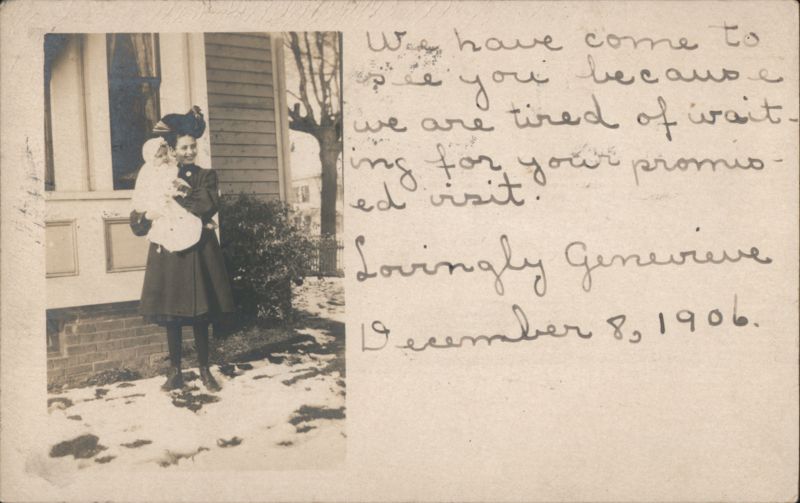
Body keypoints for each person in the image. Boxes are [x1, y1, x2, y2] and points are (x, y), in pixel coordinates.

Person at [130, 106, 235, 393]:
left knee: (200, 314)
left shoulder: (204, 176)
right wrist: (149, 214)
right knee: (171, 315)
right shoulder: (156, 175)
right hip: (168, 253)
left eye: (193, 147)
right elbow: (137, 219)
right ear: (173, 150)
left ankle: (204, 369)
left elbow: (207, 204)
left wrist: (183, 191)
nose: (189, 152)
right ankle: (175, 371)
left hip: (198, 252)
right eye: (183, 147)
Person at [131, 137, 202, 253]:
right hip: (158, 201)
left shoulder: (170, 167)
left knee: (185, 218)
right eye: (159, 156)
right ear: (150, 158)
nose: (164, 158)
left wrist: (176, 186)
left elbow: (174, 177)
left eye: (165, 154)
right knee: (163, 223)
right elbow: (145, 191)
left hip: (172, 196)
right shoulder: (148, 171)